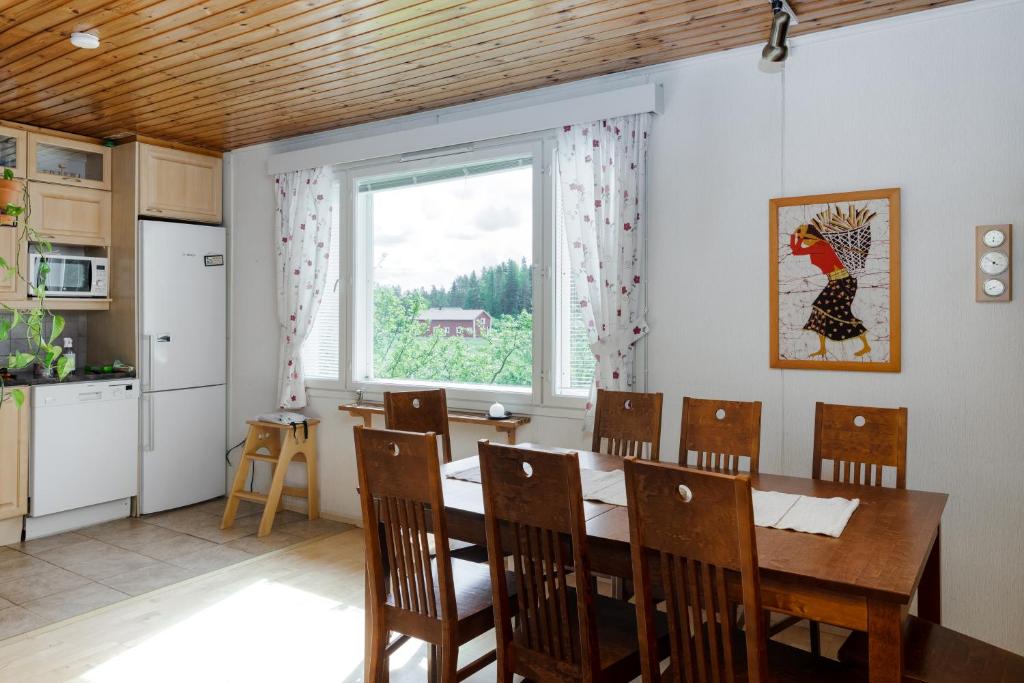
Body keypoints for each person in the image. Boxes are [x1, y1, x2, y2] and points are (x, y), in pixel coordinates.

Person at [789, 223, 871, 358]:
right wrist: (797, 235)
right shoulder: (819, 245)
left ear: (811, 237)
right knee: (820, 310)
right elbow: (797, 250)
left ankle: (866, 345)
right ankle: (822, 348)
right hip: (835, 282)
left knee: (841, 313)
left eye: (804, 239)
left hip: (844, 282)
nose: (804, 242)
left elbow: (796, 251)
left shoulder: (820, 246)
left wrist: (794, 236)